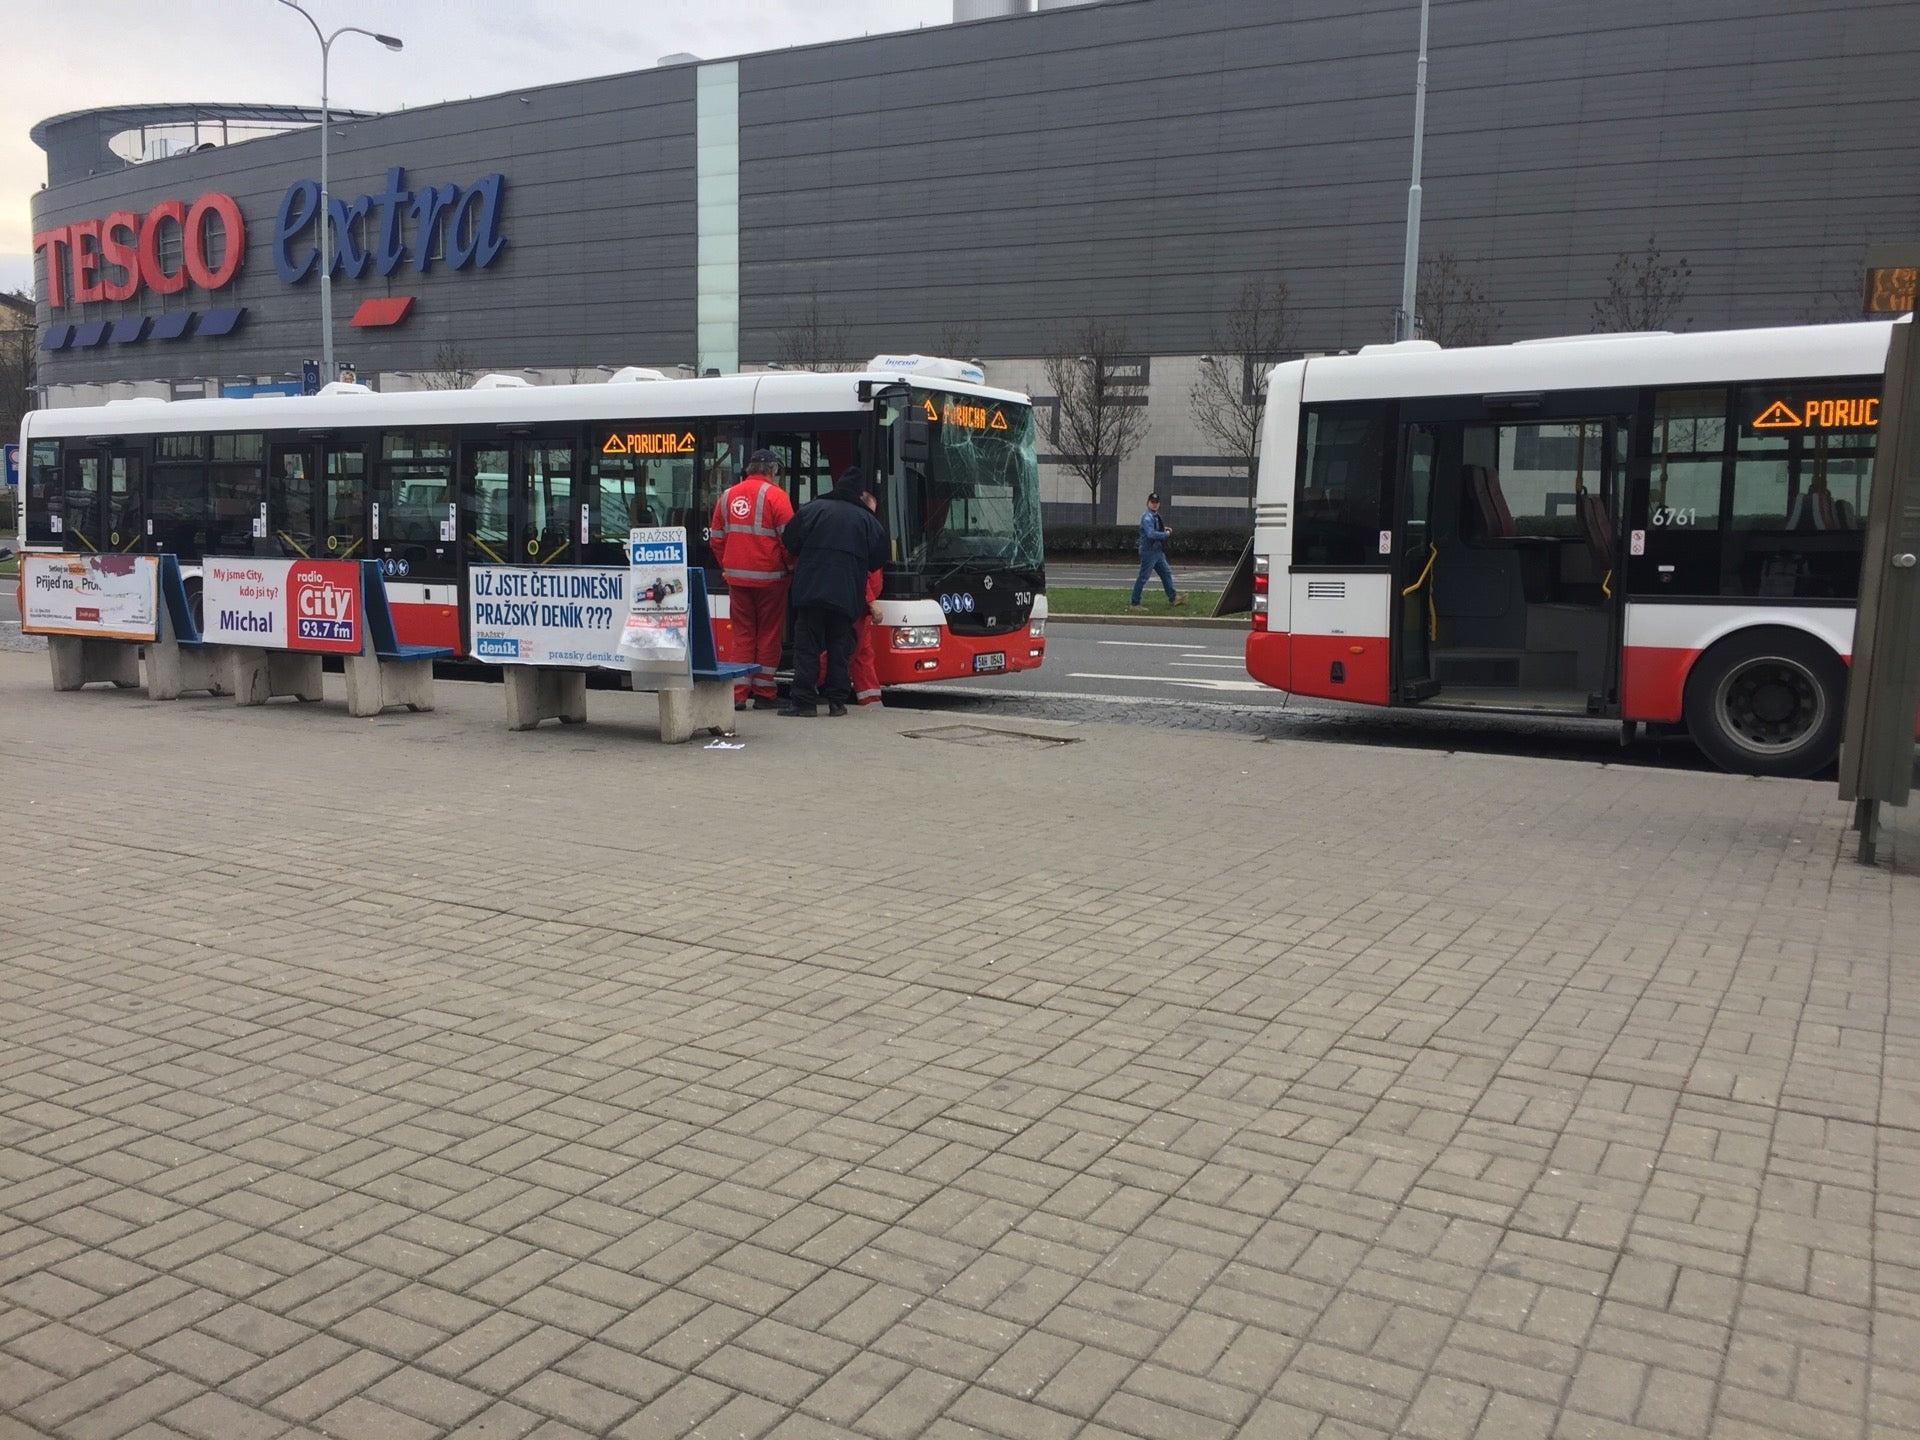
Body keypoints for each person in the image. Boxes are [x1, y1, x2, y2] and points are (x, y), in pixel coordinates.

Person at [780, 467, 889, 717]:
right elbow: (877, 560)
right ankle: (837, 703)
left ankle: (804, 703)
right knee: (839, 648)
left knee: (807, 647)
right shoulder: (867, 520)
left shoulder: (813, 509)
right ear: (859, 493)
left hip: (811, 591)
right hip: (846, 595)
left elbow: (790, 542)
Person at [707, 448, 794, 709]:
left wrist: (729, 566)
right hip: (771, 580)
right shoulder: (777, 497)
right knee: (768, 635)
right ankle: (764, 693)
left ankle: (738, 693)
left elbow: (716, 539)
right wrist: (790, 567)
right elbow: (789, 541)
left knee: (742, 634)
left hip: (737, 580)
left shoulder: (726, 496)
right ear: (772, 470)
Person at [1130, 491, 1184, 609]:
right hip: (1148, 552)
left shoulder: (1154, 516)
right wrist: (1165, 534)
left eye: (1156, 502)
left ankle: (1173, 598)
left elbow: (1154, 529)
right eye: (1152, 502)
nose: (1154, 504)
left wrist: (1163, 529)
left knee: (1166, 573)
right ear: (1147, 503)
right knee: (1143, 577)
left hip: (1157, 551)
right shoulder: (1147, 517)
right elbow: (1151, 534)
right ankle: (1135, 603)